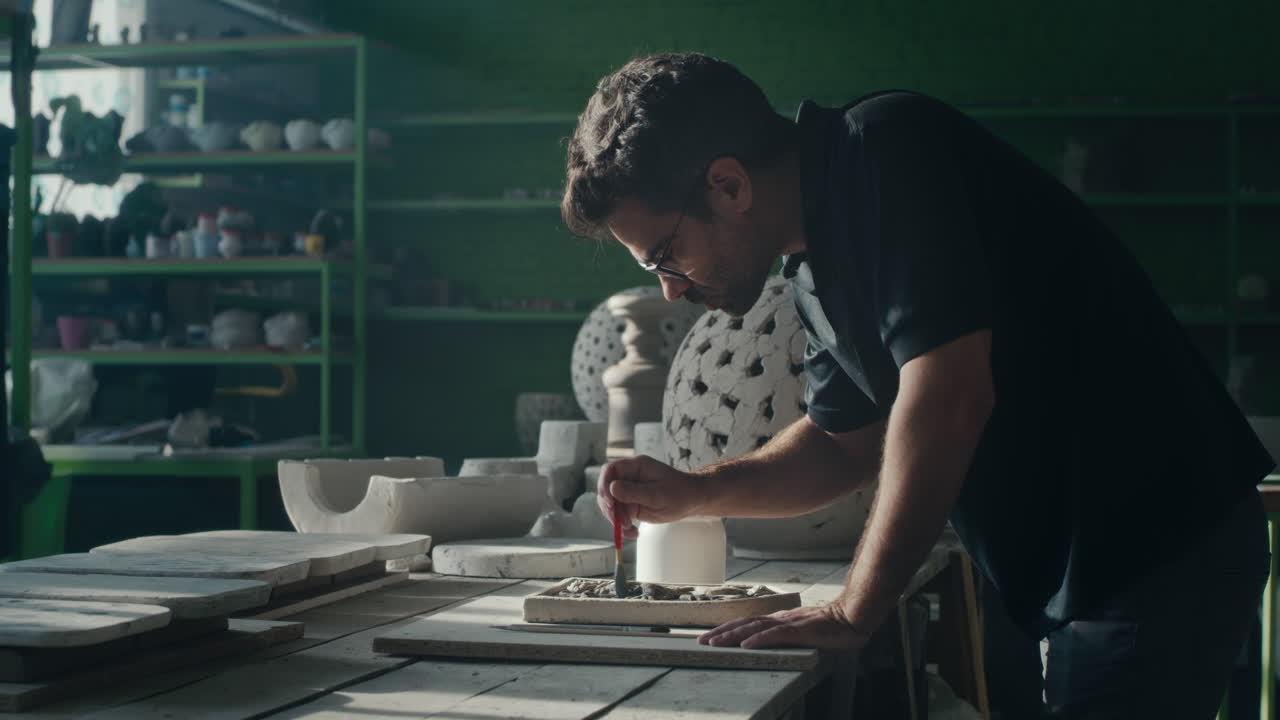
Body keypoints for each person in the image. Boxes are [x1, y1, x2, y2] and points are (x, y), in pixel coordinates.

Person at [560, 52, 1273, 718]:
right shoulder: (811, 270)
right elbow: (845, 447)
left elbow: (948, 395)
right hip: (1078, 568)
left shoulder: (883, 149)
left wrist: (854, 609)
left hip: (1158, 544)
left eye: (665, 255)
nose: (672, 291)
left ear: (729, 185)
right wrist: (695, 493)